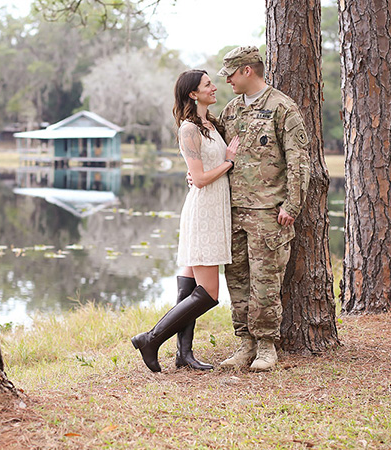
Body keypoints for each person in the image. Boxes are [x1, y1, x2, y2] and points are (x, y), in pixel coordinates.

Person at [131, 69, 240, 373]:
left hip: (213, 205)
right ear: (193, 93)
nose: (214, 87)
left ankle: (184, 354)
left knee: (189, 284)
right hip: (203, 208)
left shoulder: (211, 124)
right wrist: (229, 162)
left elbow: (201, 170)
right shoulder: (189, 129)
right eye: (208, 85)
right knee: (209, 294)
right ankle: (151, 339)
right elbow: (202, 178)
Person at [216, 46, 311, 371]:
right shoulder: (230, 111)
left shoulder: (283, 107)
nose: (226, 79)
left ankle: (267, 347)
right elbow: (216, 153)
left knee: (266, 283)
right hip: (233, 211)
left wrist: (292, 204)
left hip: (269, 213)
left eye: (230, 72)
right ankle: (244, 344)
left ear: (247, 70)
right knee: (238, 281)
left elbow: (299, 160)